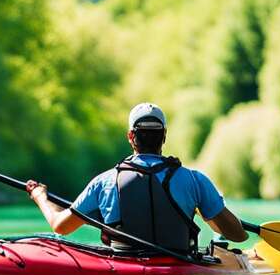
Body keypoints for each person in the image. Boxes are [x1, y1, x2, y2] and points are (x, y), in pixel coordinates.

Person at [25, 102, 248, 256]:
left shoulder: (104, 182)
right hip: (181, 267)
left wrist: (40, 196)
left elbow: (59, 226)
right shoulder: (194, 181)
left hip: (125, 269)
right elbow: (237, 235)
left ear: (131, 136)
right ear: (164, 135)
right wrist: (202, 209)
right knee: (219, 239)